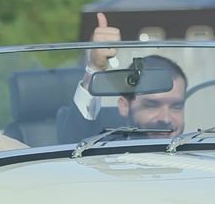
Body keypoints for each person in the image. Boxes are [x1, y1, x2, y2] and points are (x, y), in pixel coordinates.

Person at [60, 12, 187, 142]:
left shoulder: (199, 153)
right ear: (124, 106)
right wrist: (96, 67)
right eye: (152, 105)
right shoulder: (111, 152)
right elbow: (74, 143)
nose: (165, 119)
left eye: (176, 106)